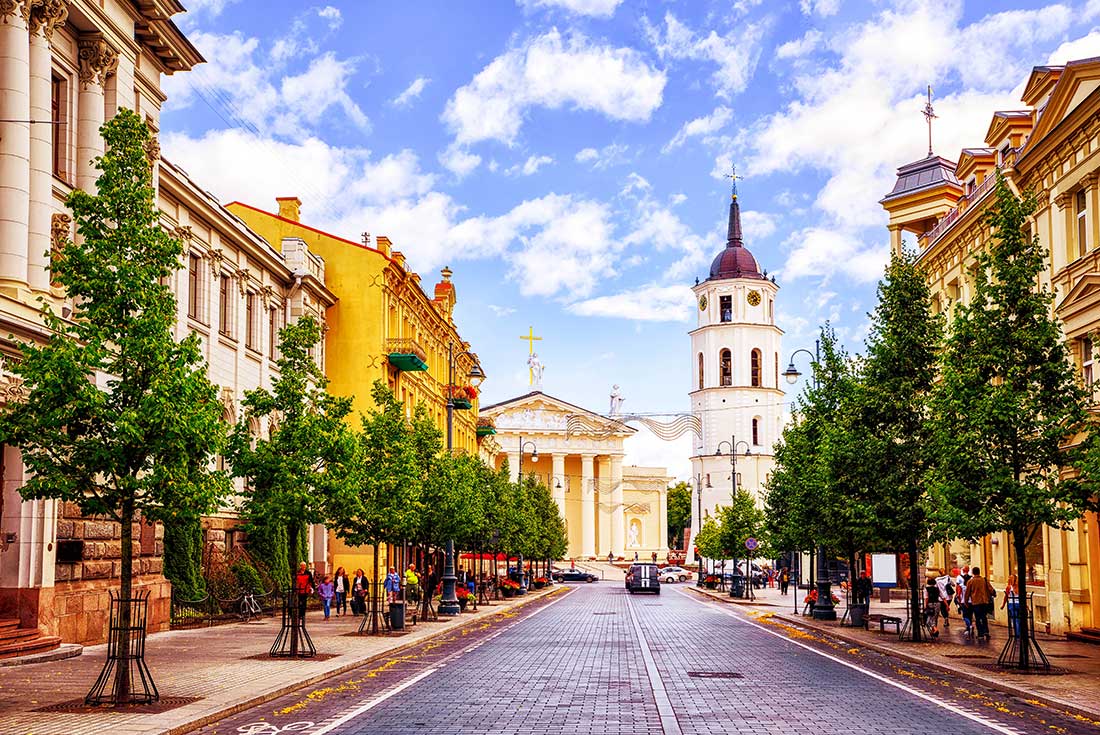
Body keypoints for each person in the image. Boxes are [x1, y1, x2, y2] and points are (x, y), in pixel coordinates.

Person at [965, 566, 995, 641]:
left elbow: (967, 593)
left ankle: (980, 634)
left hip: (976, 602)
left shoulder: (970, 581)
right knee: (984, 617)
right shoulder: (984, 580)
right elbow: (990, 589)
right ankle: (986, 631)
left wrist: (966, 602)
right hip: (984, 601)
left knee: (978, 618)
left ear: (972, 573)